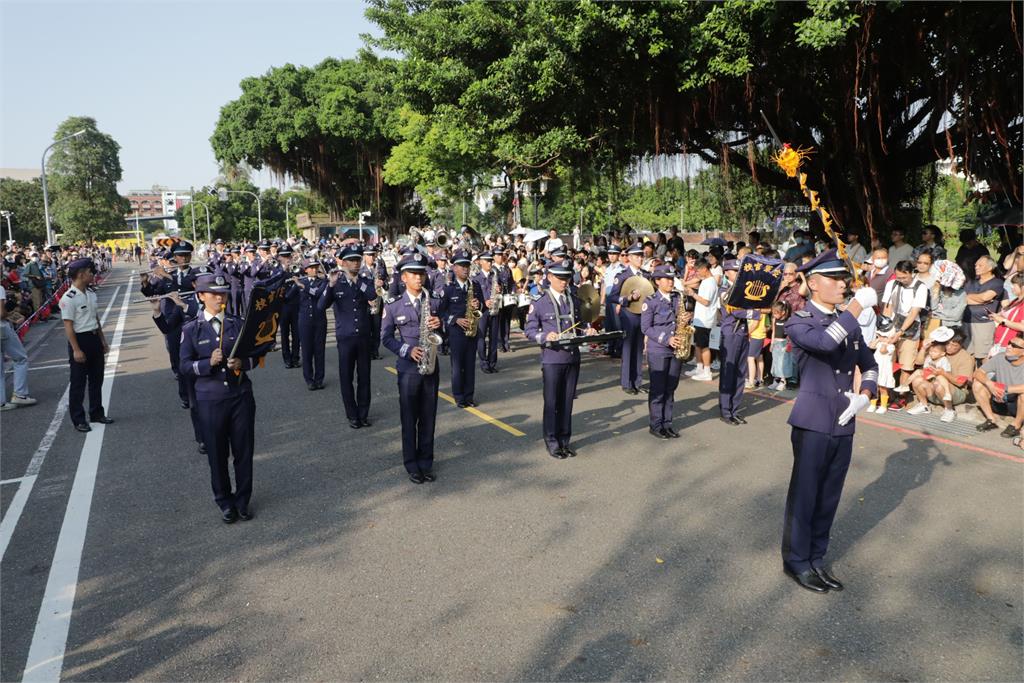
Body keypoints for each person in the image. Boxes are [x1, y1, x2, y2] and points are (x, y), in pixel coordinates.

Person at [782, 249, 879, 593]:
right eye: (835, 279)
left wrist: (866, 394)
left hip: (844, 419)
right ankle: (797, 561)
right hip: (813, 421)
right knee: (806, 495)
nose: (844, 284)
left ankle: (817, 559)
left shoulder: (845, 321)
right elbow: (825, 342)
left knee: (829, 497)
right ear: (813, 283)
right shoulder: (799, 320)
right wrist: (856, 308)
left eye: (844, 278)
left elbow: (870, 363)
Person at [180, 273, 258, 524]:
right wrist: (206, 364)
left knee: (243, 452)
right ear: (201, 296)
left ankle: (242, 500)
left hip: (240, 396)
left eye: (222, 293)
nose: (219, 297)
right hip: (210, 400)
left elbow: (255, 355)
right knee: (217, 454)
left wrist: (242, 362)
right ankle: (224, 501)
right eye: (213, 293)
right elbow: (183, 366)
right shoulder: (192, 329)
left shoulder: (237, 323)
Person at [381, 252, 444, 483]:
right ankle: (412, 465)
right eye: (414, 274)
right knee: (409, 418)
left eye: (422, 273)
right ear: (404, 278)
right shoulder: (394, 305)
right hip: (408, 369)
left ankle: (426, 463)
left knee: (429, 417)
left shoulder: (434, 300)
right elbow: (385, 338)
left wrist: (440, 325)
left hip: (431, 366)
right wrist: (407, 350)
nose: (420, 278)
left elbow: (445, 327)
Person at [524, 260, 594, 458]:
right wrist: (546, 337)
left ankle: (565, 440)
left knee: (567, 402)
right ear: (549, 277)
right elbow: (529, 330)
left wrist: (587, 329)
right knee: (552, 402)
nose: (564, 282)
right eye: (560, 278)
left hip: (572, 356)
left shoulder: (573, 299)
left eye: (567, 278)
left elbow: (579, 324)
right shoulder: (539, 301)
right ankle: (552, 442)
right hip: (552, 358)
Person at [321, 245, 376, 429]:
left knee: (365, 377)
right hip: (345, 337)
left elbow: (372, 295)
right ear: (343, 263)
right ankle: (352, 415)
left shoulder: (365, 280)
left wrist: (356, 280)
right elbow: (321, 306)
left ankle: (363, 413)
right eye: (352, 260)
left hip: (363, 337)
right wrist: (330, 285)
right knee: (346, 377)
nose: (356, 263)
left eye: (358, 260)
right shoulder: (336, 282)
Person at [59, 258, 113, 432]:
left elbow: (95, 318)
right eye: (90, 272)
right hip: (80, 340)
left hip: (94, 338)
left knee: (97, 379)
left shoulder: (90, 293)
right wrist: (76, 349)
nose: (92, 275)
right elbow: (68, 326)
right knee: (78, 383)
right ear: (81, 274)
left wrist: (103, 340)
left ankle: (97, 413)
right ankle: (79, 419)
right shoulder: (68, 298)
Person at [640, 265, 688, 438]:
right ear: (657, 281)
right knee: (658, 388)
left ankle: (667, 423)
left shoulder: (677, 297)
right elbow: (645, 327)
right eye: (667, 279)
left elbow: (679, 320)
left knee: (670, 387)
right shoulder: (650, 301)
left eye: (672, 278)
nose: (670, 282)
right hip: (659, 349)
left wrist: (685, 319)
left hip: (676, 348)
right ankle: (656, 424)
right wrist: (665, 339)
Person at [438, 249, 483, 408]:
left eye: (467, 266)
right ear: (454, 268)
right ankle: (459, 396)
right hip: (456, 332)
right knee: (457, 366)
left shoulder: (475, 286)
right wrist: (456, 320)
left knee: (470, 365)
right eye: (461, 266)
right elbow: (441, 311)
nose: (465, 269)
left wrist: (477, 308)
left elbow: (480, 311)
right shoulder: (449, 288)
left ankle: (469, 396)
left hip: (472, 330)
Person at [881, 260, 928, 397]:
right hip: (892, 325)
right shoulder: (892, 284)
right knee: (887, 361)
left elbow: (914, 312)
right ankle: (886, 394)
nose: (901, 280)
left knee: (906, 365)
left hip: (910, 327)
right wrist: (885, 329)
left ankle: (902, 395)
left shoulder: (921, 287)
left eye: (904, 277)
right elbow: (887, 307)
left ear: (911, 273)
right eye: (898, 277)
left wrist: (901, 331)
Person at [907, 327, 974, 422]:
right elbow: (918, 363)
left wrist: (943, 373)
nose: (949, 347)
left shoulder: (966, 358)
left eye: (954, 345)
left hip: (956, 392)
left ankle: (949, 410)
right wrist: (923, 348)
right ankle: (923, 405)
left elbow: (960, 383)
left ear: (961, 345)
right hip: (934, 388)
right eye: (948, 344)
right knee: (917, 379)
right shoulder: (938, 349)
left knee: (939, 382)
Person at [609, 243, 648, 394]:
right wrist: (628, 299)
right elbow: (613, 297)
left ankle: (637, 381)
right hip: (629, 314)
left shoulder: (645, 275)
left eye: (641, 256)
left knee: (639, 348)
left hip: (643, 314)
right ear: (630, 258)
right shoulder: (623, 276)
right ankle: (627, 382)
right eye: (637, 256)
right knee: (628, 348)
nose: (640, 258)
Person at [718, 260, 753, 425]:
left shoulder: (744, 289)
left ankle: (735, 409)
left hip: (742, 333)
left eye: (739, 270)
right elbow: (736, 311)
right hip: (730, 333)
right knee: (728, 373)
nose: (738, 273)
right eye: (734, 270)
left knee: (740, 373)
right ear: (726, 272)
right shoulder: (725, 290)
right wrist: (755, 313)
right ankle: (726, 410)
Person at [972, 336, 1024, 437]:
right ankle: (991, 420)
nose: (1008, 346)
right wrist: (990, 384)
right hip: (998, 399)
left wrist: (1005, 389)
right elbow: (978, 372)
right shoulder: (1001, 357)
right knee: (977, 384)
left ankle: (1016, 426)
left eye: (1014, 346)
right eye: (1009, 343)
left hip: (1017, 406)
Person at [0, 281, 37, 411]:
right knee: (20, 358)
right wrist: (9, 312)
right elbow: (1, 314)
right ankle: (19, 394)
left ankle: (1, 402)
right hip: (2, 328)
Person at [963, 255, 1004, 361]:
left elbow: (985, 297)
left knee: (983, 356)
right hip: (966, 321)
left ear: (990, 268)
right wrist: (979, 300)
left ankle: (983, 376)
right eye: (976, 265)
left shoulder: (997, 283)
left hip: (983, 323)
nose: (976, 267)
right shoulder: (971, 282)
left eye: (980, 265)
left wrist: (971, 298)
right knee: (968, 355)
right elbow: (963, 299)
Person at [297, 258, 328, 390]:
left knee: (319, 350)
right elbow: (288, 297)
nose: (314, 269)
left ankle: (319, 379)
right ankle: (309, 379)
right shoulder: (300, 282)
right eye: (311, 268)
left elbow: (319, 294)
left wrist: (303, 287)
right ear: (306, 270)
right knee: (307, 350)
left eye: (316, 267)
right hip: (304, 321)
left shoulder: (322, 282)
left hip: (320, 320)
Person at [685, 258, 719, 382]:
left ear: (705, 269)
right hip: (700, 318)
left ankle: (707, 371)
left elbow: (706, 301)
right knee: (698, 344)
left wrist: (692, 294)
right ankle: (699, 368)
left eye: (698, 271)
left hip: (705, 319)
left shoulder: (710, 283)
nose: (697, 273)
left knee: (704, 346)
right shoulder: (706, 281)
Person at [277, 244, 301, 369]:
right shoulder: (276, 270)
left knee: (297, 333)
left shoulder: (296, 268)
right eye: (284, 256)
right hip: (283, 305)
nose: (287, 258)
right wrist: (284, 270)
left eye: (289, 256)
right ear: (279, 257)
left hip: (296, 304)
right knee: (285, 333)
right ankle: (287, 358)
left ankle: (296, 357)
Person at [601, 245, 624, 358]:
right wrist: (602, 301)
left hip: (617, 298)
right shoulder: (608, 268)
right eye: (610, 254)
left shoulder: (622, 269)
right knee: (609, 324)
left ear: (618, 255)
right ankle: (610, 347)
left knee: (617, 324)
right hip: (609, 298)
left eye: (614, 254)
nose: (611, 256)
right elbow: (605, 285)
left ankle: (619, 348)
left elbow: (624, 287)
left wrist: (620, 303)